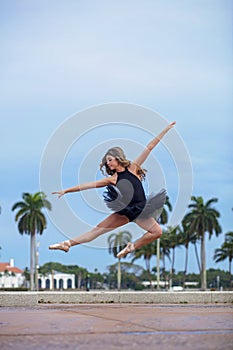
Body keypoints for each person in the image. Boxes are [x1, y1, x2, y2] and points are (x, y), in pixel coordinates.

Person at [49, 121, 176, 258]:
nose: (108, 163)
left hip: (140, 211)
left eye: (110, 160)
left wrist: (166, 129)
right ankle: (67, 244)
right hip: (126, 211)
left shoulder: (133, 168)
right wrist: (67, 190)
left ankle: (131, 246)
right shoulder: (112, 179)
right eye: (107, 161)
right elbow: (87, 185)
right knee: (96, 231)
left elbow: (149, 147)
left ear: (117, 158)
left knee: (157, 232)